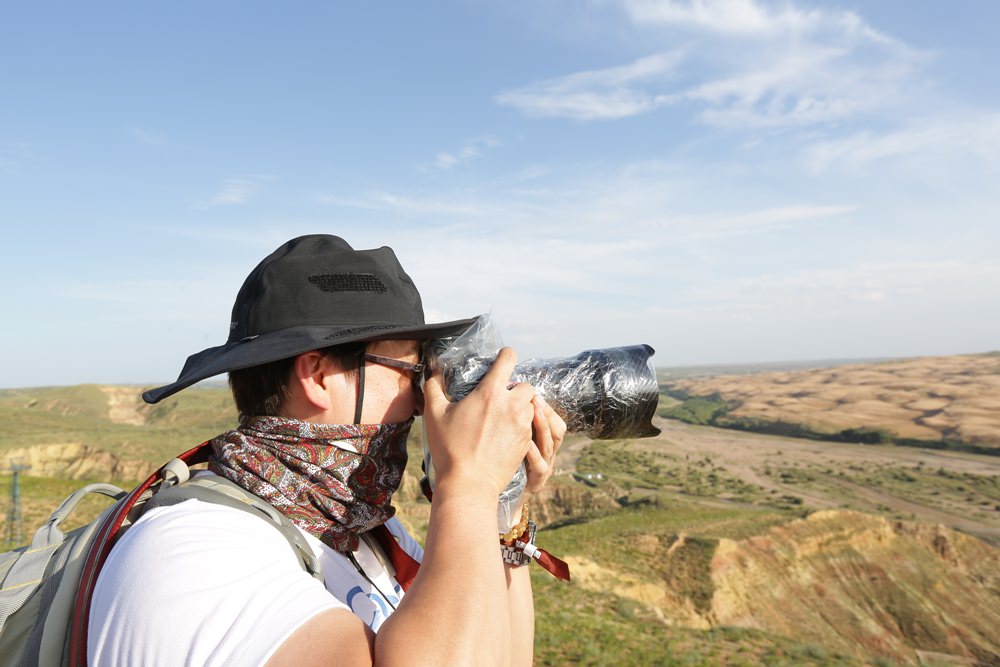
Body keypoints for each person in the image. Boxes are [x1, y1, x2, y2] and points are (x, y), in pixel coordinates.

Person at [86, 234, 565, 666]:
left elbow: (495, 654)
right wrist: (469, 487)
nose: (423, 402)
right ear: (318, 374)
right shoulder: (194, 555)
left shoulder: (362, 528)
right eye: (411, 374)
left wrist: (501, 508)